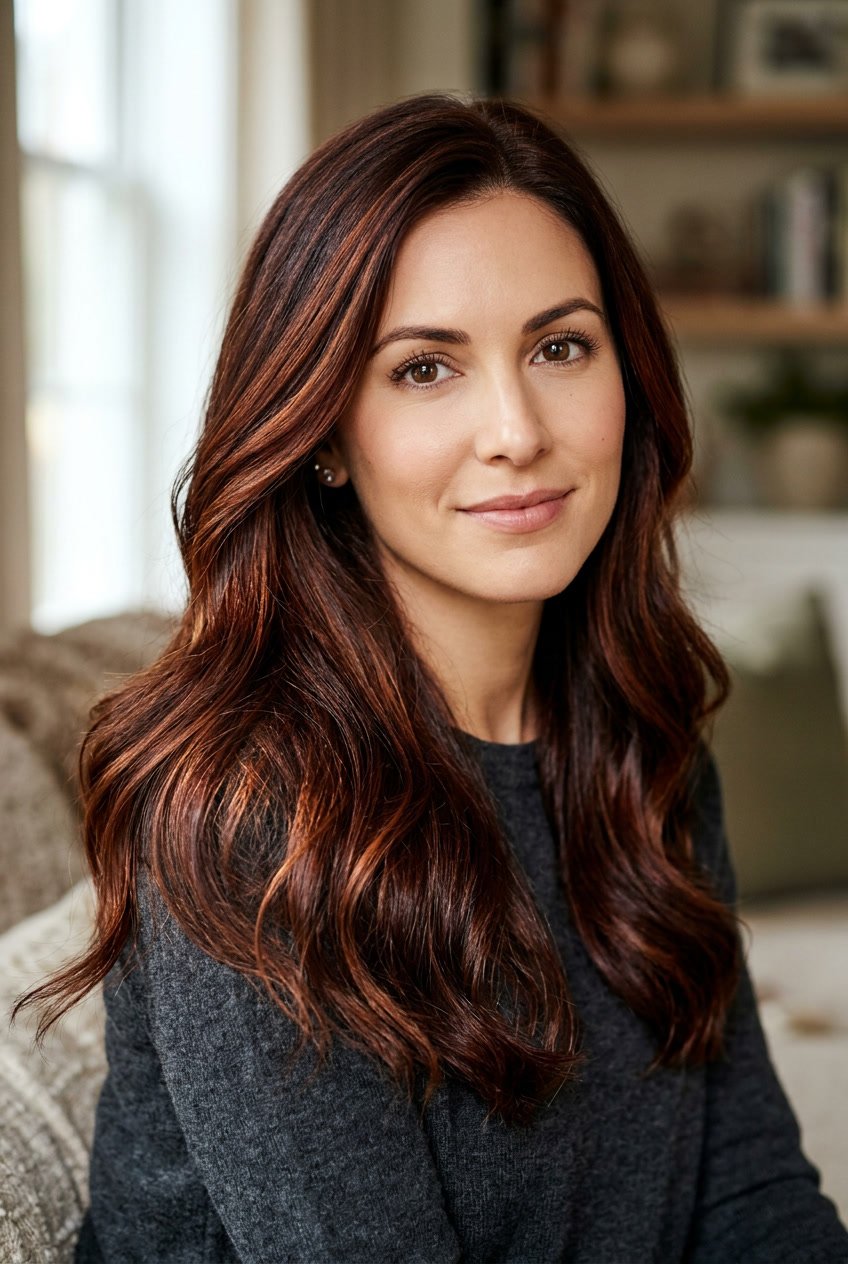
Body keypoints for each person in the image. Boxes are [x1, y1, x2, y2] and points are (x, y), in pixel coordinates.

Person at [15, 93, 848, 1263]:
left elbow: (747, 1192)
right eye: (423, 370)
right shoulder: (246, 815)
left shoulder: (638, 744)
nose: (514, 428)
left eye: (559, 347)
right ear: (320, 431)